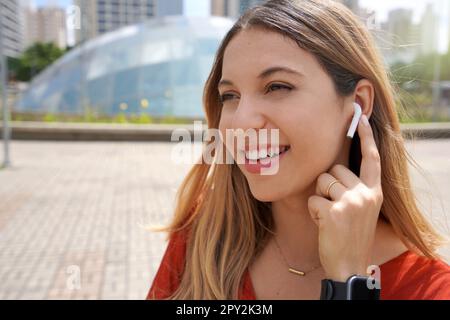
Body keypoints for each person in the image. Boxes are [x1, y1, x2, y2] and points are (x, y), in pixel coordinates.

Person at [147, 0, 450, 300]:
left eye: (277, 87)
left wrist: (349, 282)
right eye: (230, 95)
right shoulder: (203, 238)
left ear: (358, 104)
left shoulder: (431, 289)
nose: (241, 120)